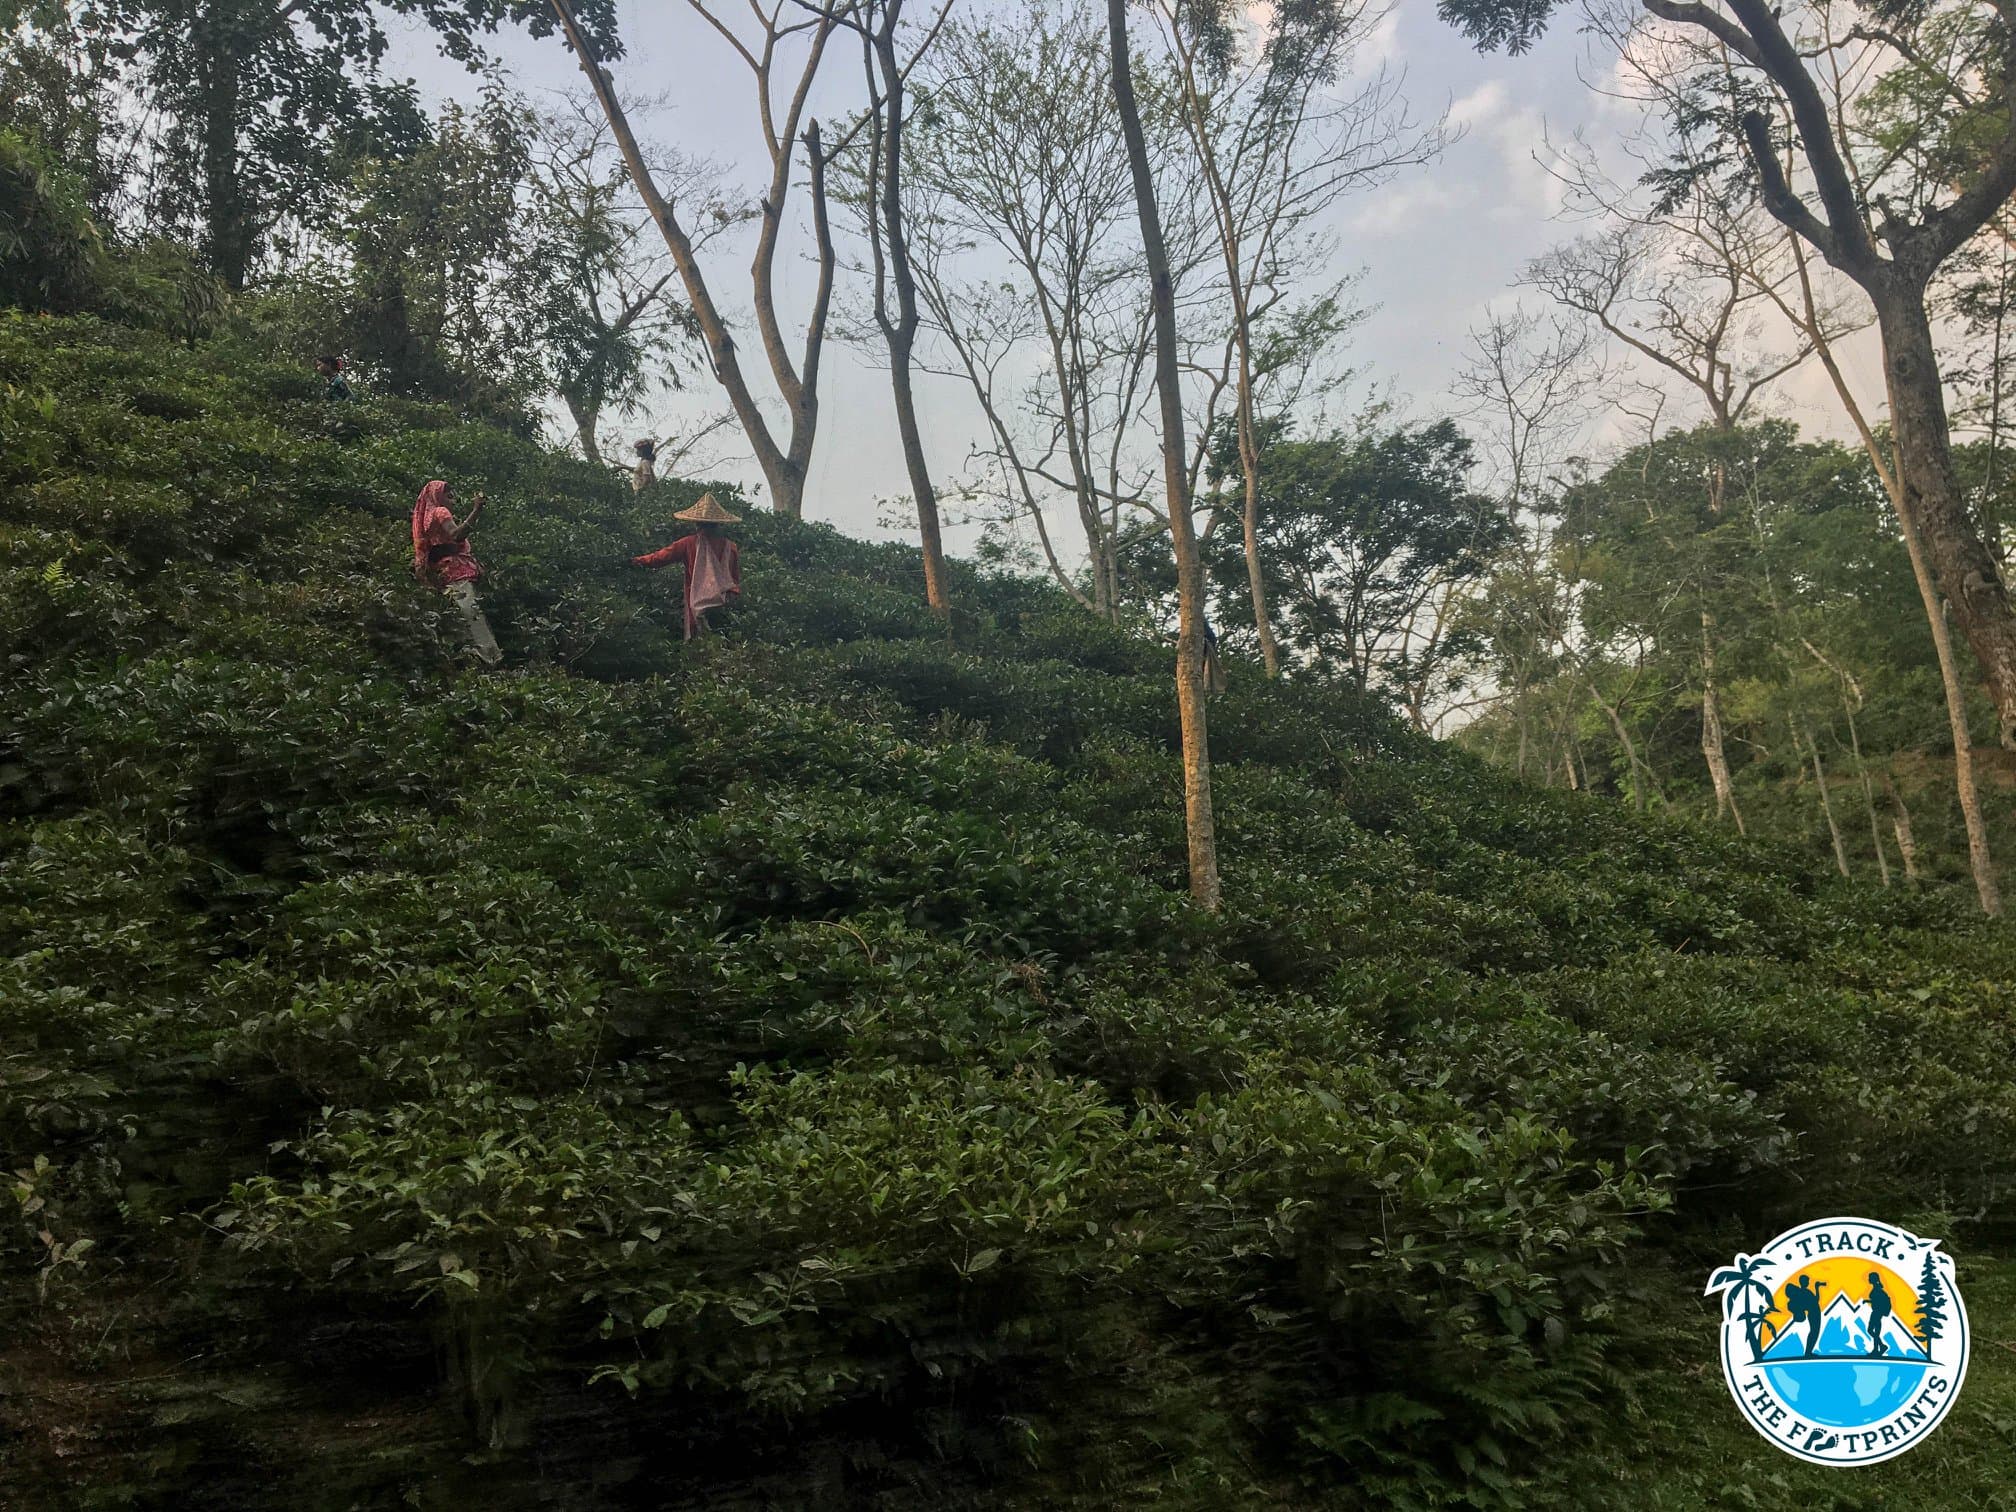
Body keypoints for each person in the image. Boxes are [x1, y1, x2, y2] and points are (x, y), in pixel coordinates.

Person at [410, 480, 503, 666]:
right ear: (438, 496)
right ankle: (491, 657)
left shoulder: (425, 519)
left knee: (456, 614)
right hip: (455, 571)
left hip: (439, 574)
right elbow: (457, 535)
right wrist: (477, 510)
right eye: (449, 494)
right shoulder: (440, 512)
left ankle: (466, 658)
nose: (453, 499)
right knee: (471, 611)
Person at [631, 492, 742, 639]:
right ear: (719, 523)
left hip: (698, 604)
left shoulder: (688, 543)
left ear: (696, 523)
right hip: (727, 602)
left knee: (701, 646)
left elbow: (660, 558)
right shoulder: (731, 546)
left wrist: (636, 561)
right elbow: (734, 578)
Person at [1783, 1275, 1827, 1356]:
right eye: (1807, 1281)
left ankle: (1808, 1352)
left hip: (1814, 1312)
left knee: (1813, 1333)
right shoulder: (1805, 1292)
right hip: (1814, 1313)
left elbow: (1813, 1301)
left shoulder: (1804, 1291)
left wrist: (1816, 1288)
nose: (1808, 1282)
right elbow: (1816, 1300)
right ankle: (1808, 1352)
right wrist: (1817, 1288)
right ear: (1803, 1282)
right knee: (1814, 1333)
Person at [1865, 1272, 1894, 1357]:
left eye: (1869, 1278)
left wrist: (1871, 1301)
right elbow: (1876, 1300)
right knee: (1874, 1331)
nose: (1868, 1279)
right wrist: (1868, 1301)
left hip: (1877, 1313)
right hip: (1877, 1312)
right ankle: (1879, 1347)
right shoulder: (1877, 1288)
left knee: (1871, 1330)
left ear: (1873, 1279)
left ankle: (1878, 1348)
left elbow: (1878, 1301)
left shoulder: (1877, 1289)